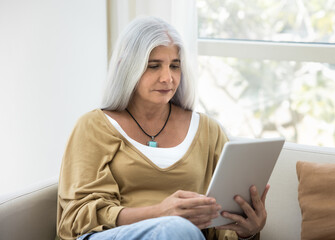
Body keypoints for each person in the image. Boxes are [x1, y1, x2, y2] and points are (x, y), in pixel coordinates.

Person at [56, 16, 269, 240]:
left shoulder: (209, 131)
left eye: (174, 66)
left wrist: (248, 231)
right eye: (154, 66)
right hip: (110, 236)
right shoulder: (94, 126)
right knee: (177, 229)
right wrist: (160, 214)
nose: (167, 78)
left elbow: (220, 222)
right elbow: (76, 217)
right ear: (125, 67)